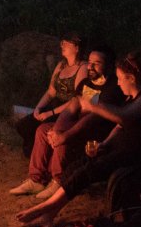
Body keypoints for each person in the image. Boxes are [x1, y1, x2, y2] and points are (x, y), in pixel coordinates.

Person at [16, 52, 141, 227]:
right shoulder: (131, 97)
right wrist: (104, 144)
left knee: (90, 170)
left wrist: (92, 104)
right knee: (76, 167)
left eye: (120, 78)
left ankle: (44, 208)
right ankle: (50, 214)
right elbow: (119, 126)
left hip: (136, 156)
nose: (118, 82)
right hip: (118, 149)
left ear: (131, 78)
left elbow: (122, 117)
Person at [10, 45, 123, 198]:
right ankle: (36, 179)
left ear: (109, 66)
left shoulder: (113, 88)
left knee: (63, 136)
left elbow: (92, 119)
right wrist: (57, 129)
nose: (90, 66)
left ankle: (58, 181)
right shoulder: (87, 84)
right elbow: (71, 107)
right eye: (90, 62)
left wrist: (65, 135)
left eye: (97, 63)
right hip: (77, 124)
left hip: (96, 133)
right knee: (44, 130)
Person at [12, 32, 87, 154]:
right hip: (53, 105)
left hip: (67, 110)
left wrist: (50, 113)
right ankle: (34, 153)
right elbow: (51, 91)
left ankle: (40, 156)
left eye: (67, 43)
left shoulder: (83, 68)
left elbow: (76, 99)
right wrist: (38, 108)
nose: (62, 45)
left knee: (41, 128)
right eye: (62, 42)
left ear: (77, 48)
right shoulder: (61, 65)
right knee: (23, 125)